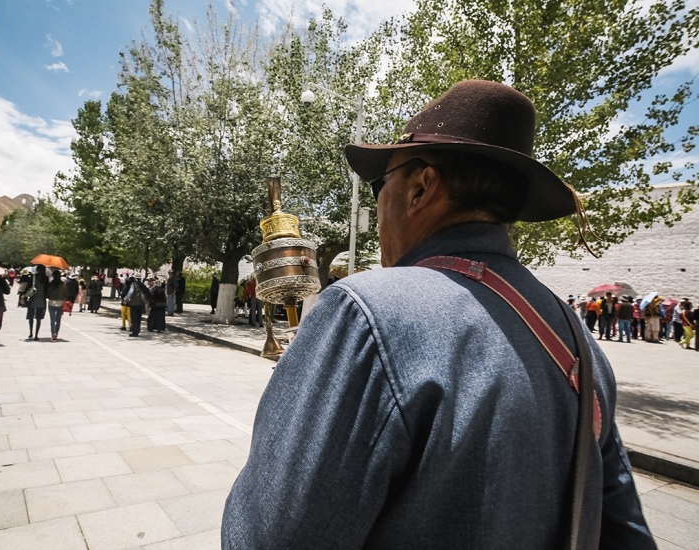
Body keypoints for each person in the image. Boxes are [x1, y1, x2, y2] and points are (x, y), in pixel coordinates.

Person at [222, 80, 654, 548]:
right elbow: (626, 531)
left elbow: (269, 537)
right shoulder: (578, 342)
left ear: (420, 187)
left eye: (379, 184)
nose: (378, 201)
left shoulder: (365, 313)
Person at [27, 265, 49, 340]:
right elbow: (47, 289)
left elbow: (27, 287)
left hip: (32, 299)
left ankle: (30, 333)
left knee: (31, 317)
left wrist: (24, 295)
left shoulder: (33, 277)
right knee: (38, 318)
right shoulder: (46, 278)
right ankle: (36, 335)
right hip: (42, 299)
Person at [46, 270, 67, 341]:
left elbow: (48, 293)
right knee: (58, 319)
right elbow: (65, 293)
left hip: (52, 301)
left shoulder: (51, 284)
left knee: (52, 319)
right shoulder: (63, 284)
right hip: (60, 302)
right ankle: (56, 333)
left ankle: (53, 334)